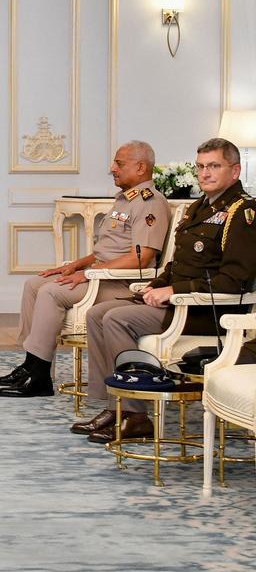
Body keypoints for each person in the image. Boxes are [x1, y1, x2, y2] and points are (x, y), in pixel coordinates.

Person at [77, 138, 256, 442]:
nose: (205, 173)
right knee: (97, 314)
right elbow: (179, 265)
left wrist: (173, 291)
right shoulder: (199, 207)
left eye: (214, 166)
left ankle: (135, 416)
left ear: (235, 171)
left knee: (116, 318)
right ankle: (113, 404)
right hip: (180, 303)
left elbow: (235, 280)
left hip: (207, 312)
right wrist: (156, 285)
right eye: (200, 166)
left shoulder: (243, 213)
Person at [0, 141, 170, 398]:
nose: (112, 169)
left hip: (121, 284)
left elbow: (141, 259)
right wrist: (77, 264)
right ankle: (30, 364)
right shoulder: (125, 199)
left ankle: (40, 376)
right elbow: (106, 250)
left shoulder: (149, 203)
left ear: (141, 167)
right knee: (34, 285)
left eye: (119, 164)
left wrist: (88, 273)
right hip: (102, 275)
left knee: (52, 292)